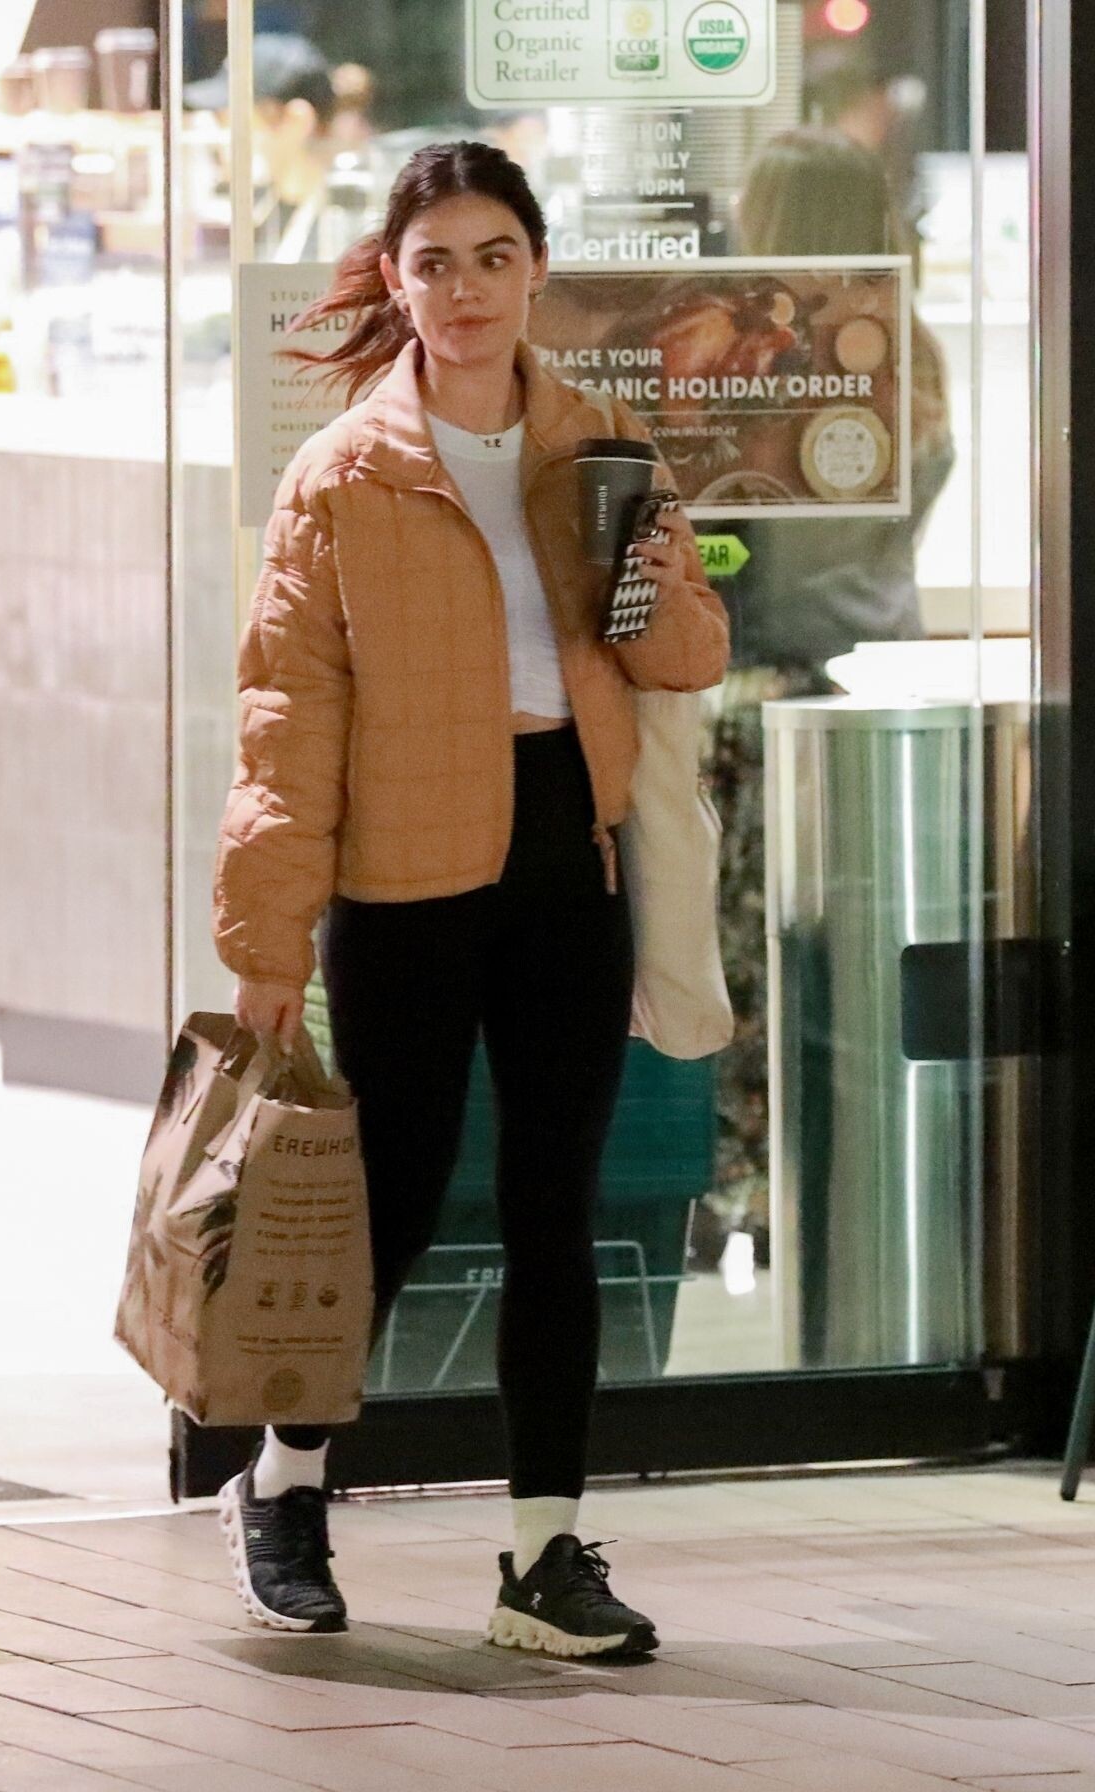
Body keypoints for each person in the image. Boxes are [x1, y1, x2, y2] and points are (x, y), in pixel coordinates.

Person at [212, 140, 729, 1657]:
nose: (466, 289)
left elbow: (685, 658)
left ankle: (544, 1556)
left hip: (569, 854)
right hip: (404, 878)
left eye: (494, 256)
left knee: (554, 1204)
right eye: (433, 262)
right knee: (391, 1196)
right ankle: (284, 1484)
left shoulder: (600, 444)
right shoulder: (342, 477)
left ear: (535, 270)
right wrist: (265, 944)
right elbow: (284, 728)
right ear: (396, 280)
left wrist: (658, 575)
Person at [697, 127, 953, 1259]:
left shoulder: (750, 368)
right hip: (875, 699)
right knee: (847, 977)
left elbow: (733, 557)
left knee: (734, 972)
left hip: (750, 699)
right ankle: (840, 1204)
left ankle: (736, 1194)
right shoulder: (909, 359)